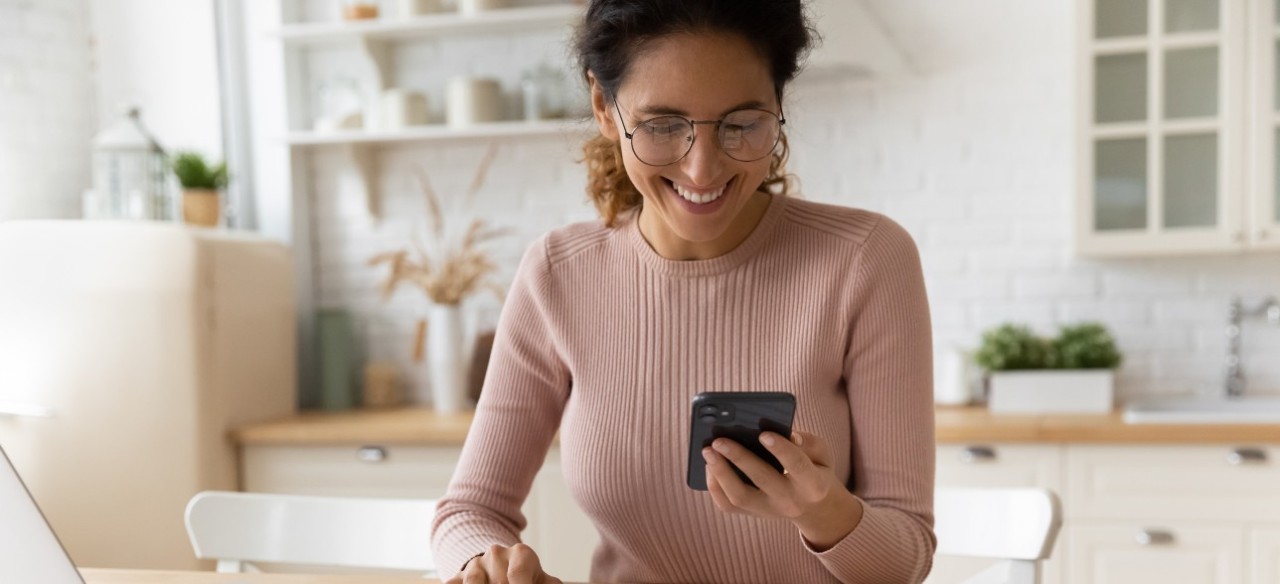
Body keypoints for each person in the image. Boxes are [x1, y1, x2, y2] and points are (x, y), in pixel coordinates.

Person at [431, 1, 936, 582]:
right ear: (603, 106)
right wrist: (487, 567)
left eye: (742, 124)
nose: (701, 170)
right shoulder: (557, 274)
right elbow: (470, 512)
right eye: (663, 125)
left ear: (777, 104)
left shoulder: (864, 259)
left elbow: (905, 559)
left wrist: (825, 511)